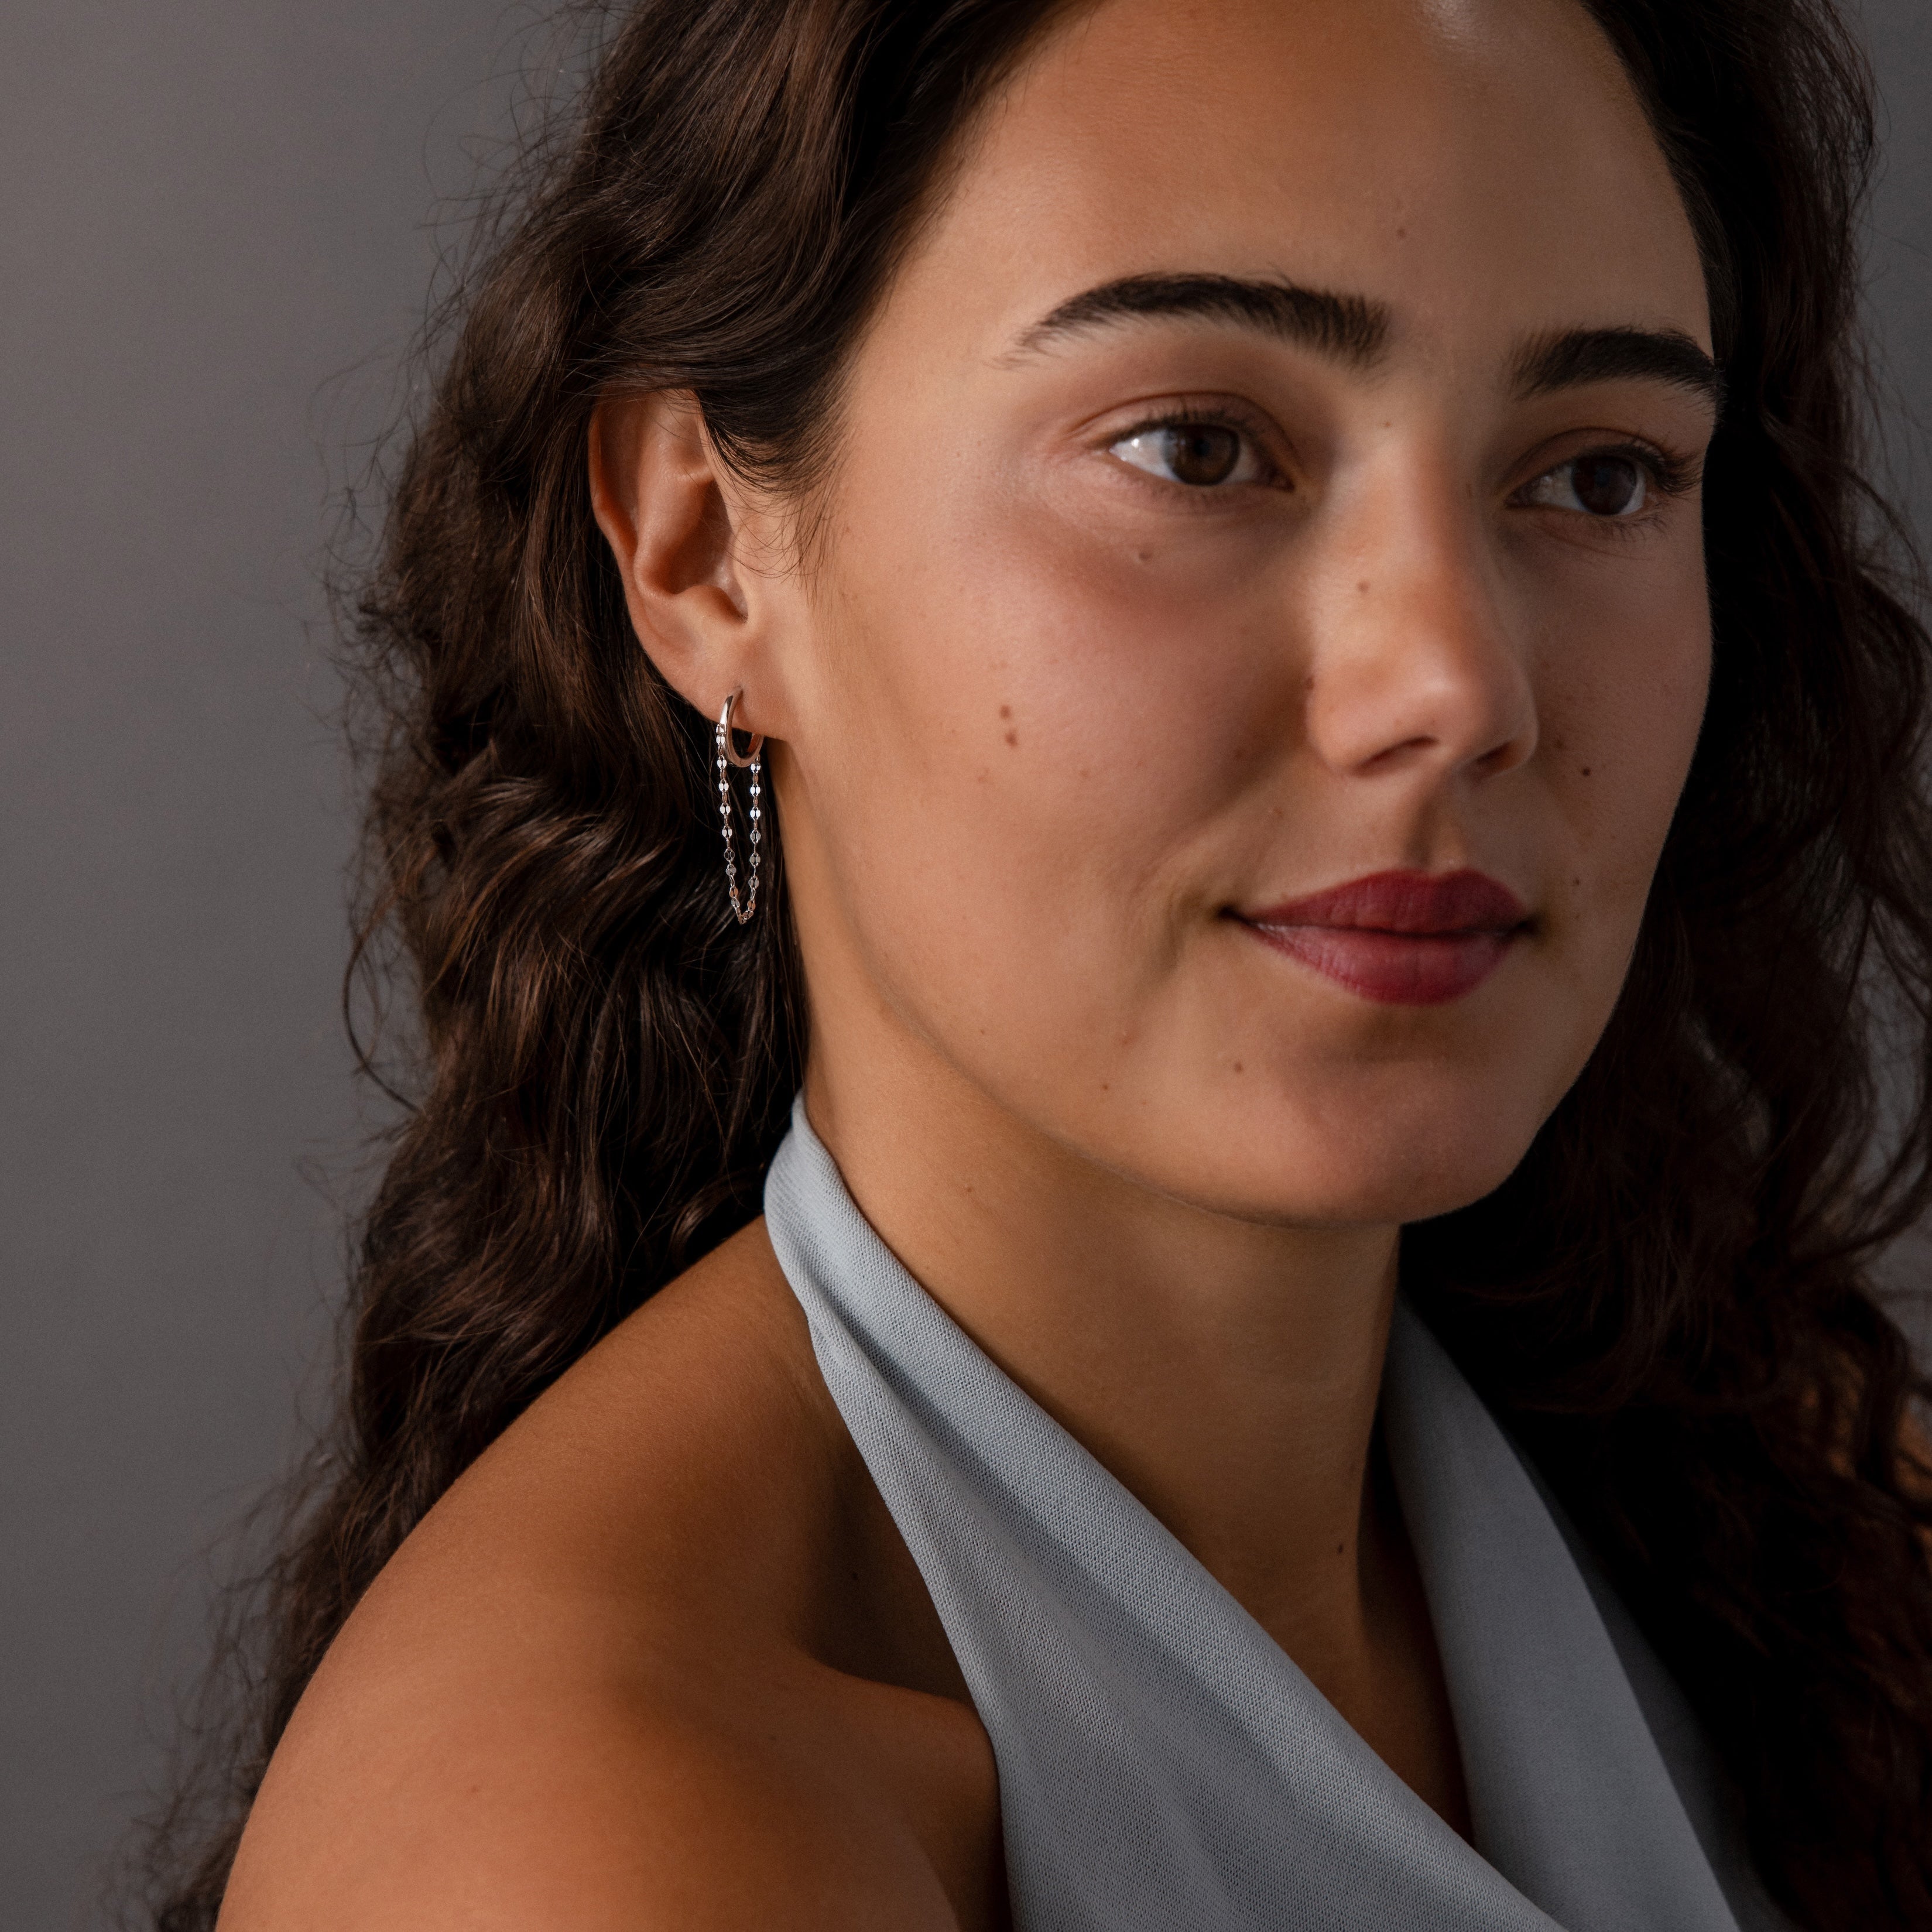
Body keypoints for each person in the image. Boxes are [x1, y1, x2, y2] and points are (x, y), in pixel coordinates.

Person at [153, 0, 1932, 1925]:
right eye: (1194, 447)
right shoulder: (592, 1848)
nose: (1455, 684)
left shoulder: (1789, 1509)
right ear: (700, 553)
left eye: (1596, 475)